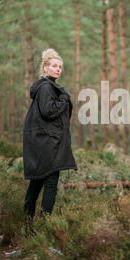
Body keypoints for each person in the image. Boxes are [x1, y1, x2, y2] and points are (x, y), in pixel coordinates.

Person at [22, 48, 78, 231]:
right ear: (45, 67)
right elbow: (48, 111)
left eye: (60, 67)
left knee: (36, 183)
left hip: (45, 143)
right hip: (48, 145)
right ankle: (44, 227)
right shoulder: (46, 87)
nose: (58, 69)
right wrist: (64, 98)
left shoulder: (47, 87)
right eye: (54, 66)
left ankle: (27, 226)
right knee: (50, 185)